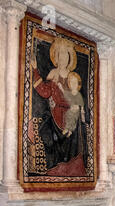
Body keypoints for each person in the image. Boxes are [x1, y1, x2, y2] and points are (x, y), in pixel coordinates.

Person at [31, 38, 88, 177]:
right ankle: (54, 168)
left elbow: (75, 99)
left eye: (65, 54)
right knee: (46, 131)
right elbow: (45, 91)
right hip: (55, 114)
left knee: (73, 133)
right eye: (59, 54)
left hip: (69, 115)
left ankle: (70, 169)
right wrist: (34, 69)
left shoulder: (72, 76)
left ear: (69, 57)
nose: (62, 57)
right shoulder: (52, 74)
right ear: (55, 56)